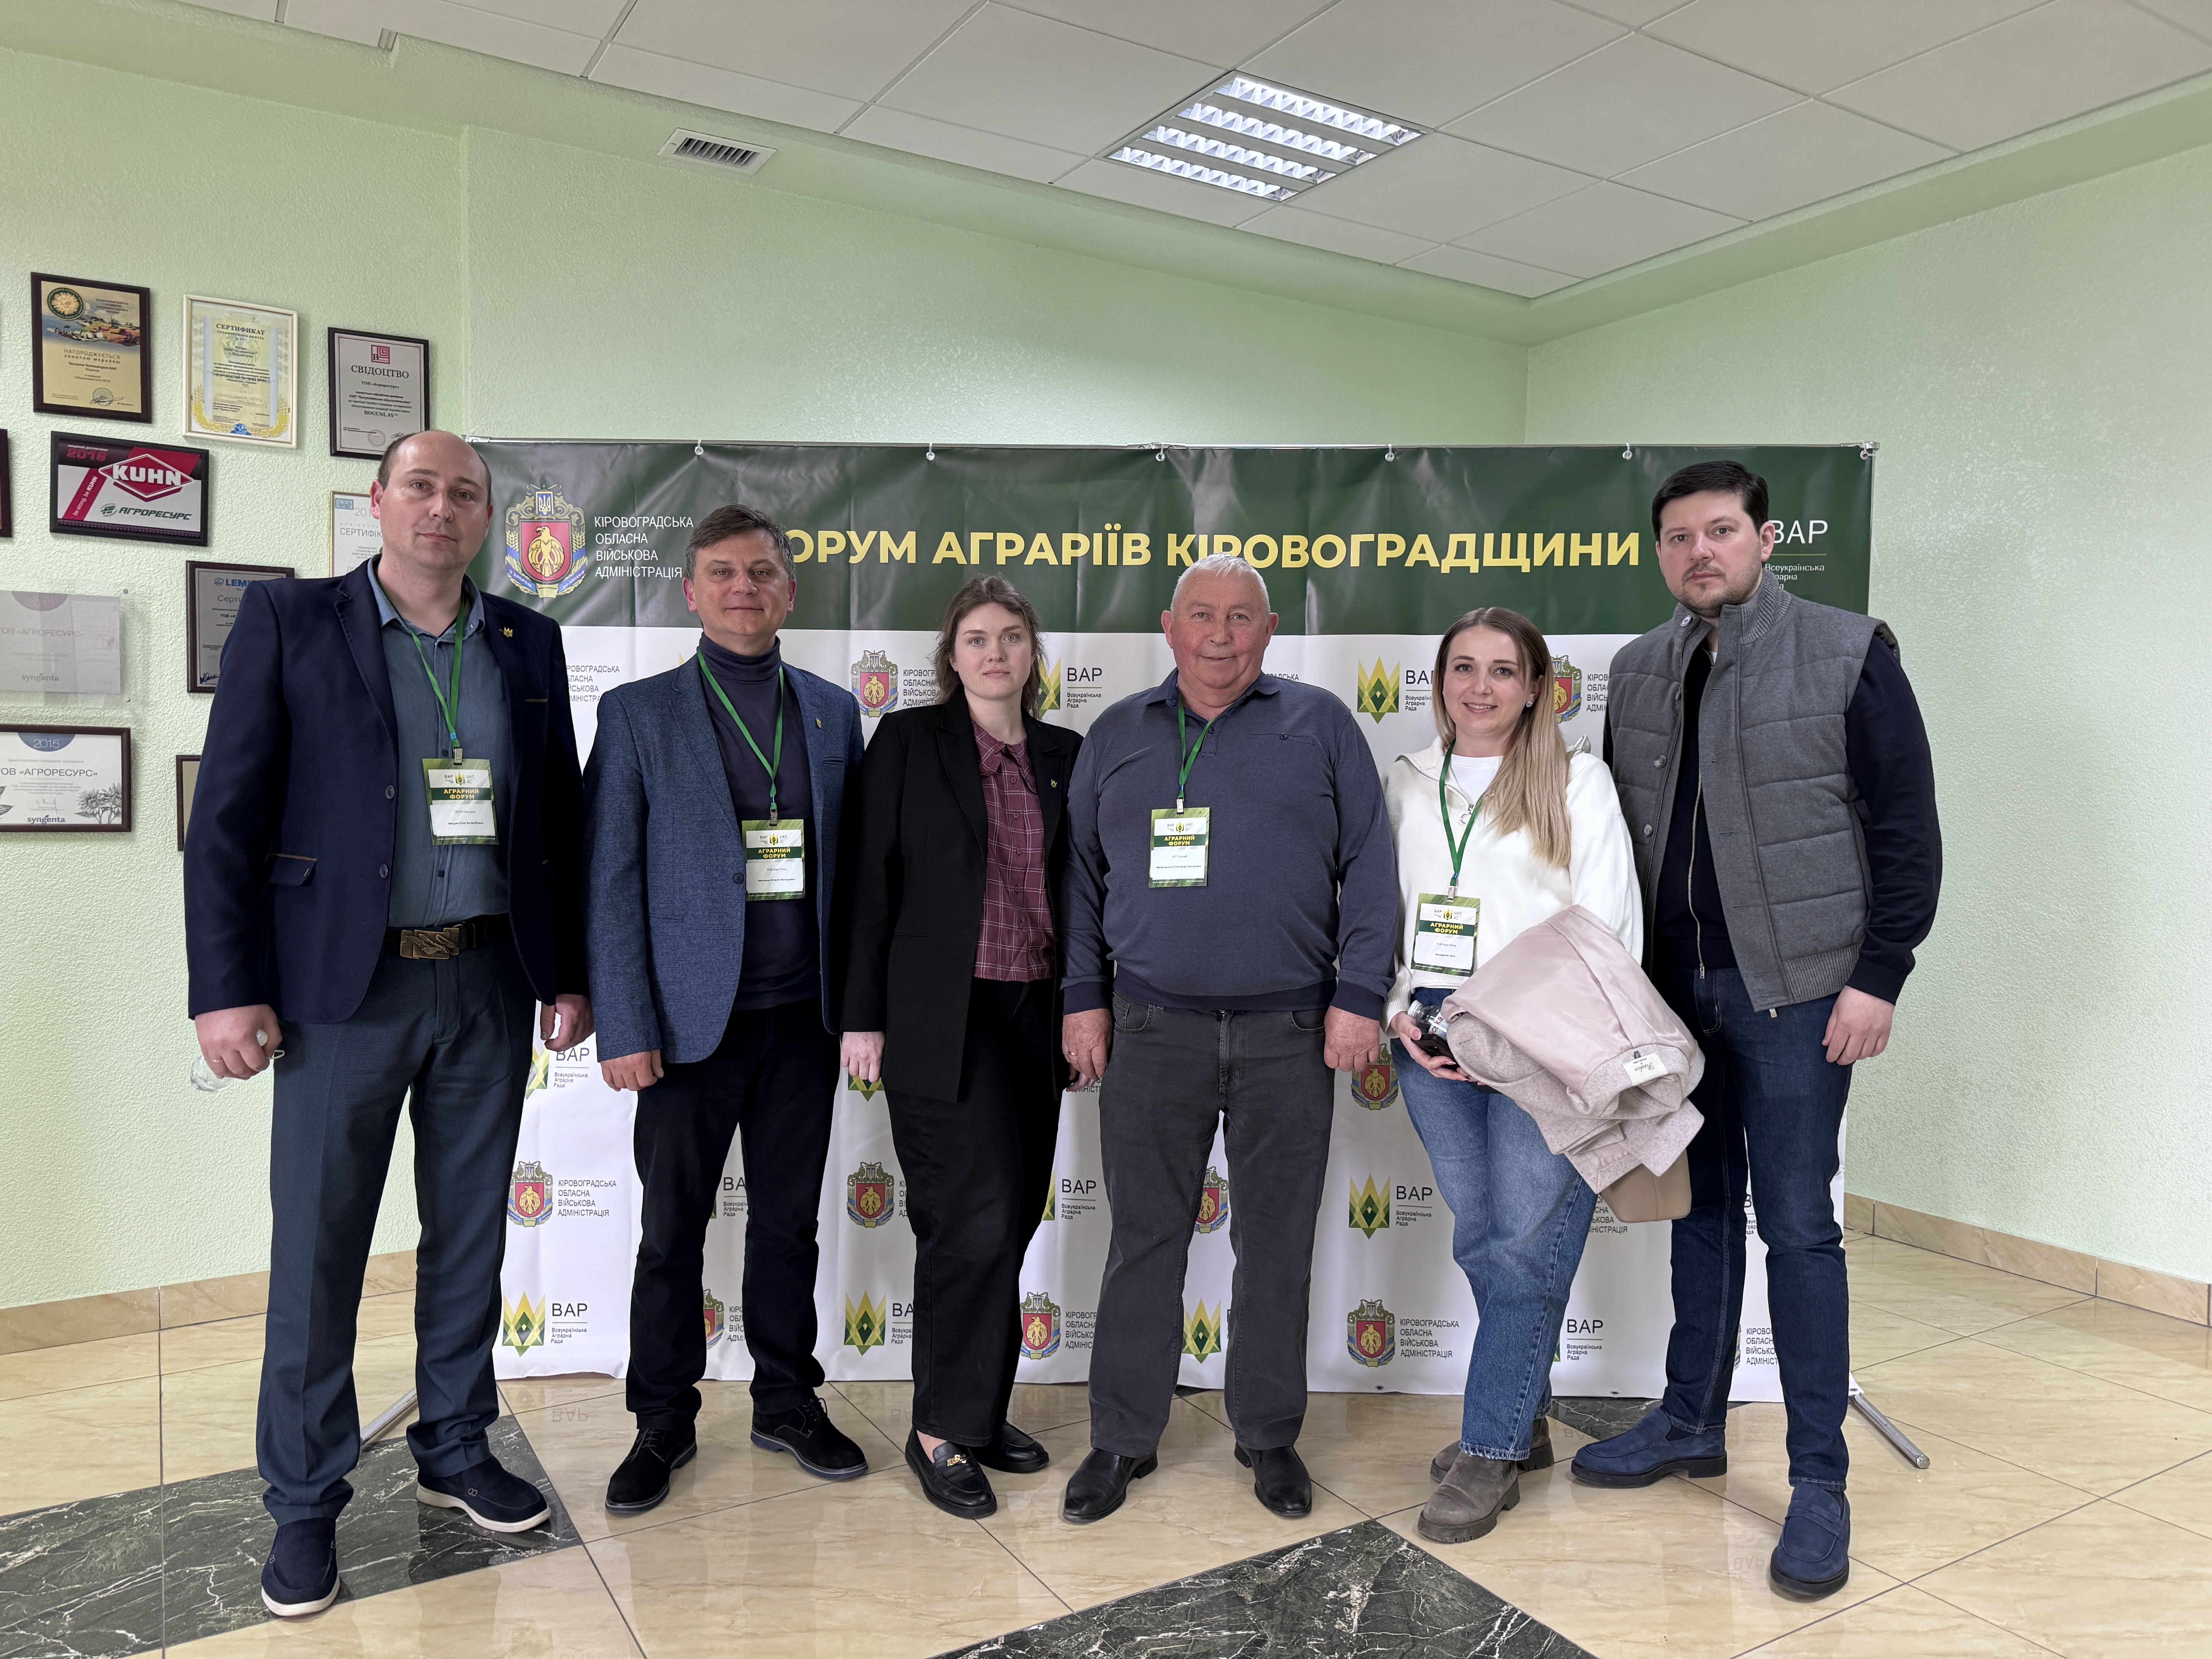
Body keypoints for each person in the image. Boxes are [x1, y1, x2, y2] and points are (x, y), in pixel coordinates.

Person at [186, 430, 592, 1618]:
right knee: (320, 1247)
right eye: (421, 485)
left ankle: (455, 1443)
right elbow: (227, 817)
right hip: (341, 992)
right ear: (377, 500)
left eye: (466, 492)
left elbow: (554, 820)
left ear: (487, 519)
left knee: (469, 1235)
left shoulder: (526, 641)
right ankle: (305, 1497)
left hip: (487, 980)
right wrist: (225, 987)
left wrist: (568, 974)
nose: (442, 507)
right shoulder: (290, 621)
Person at [1573, 461, 1940, 1601]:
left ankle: (1819, 1480)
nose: (1701, 552)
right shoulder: (1640, 666)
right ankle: (1690, 1420)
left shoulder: (1846, 649)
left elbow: (1908, 825)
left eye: (1721, 531)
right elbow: (1619, 838)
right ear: (1661, 553)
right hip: (1672, 1000)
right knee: (1699, 1217)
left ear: (1765, 539)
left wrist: (1879, 975)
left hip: (1801, 995)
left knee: (1799, 1230)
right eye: (1679, 537)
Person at [1058, 553, 1397, 1524]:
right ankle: (1123, 1436)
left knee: (1277, 1244)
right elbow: (1079, 879)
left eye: (1241, 617)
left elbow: (1372, 865)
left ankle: (1269, 1434)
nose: (1220, 635)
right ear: (1169, 628)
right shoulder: (1117, 733)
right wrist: (1083, 999)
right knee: (1144, 1242)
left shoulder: (1322, 725)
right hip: (1149, 1028)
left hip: (1291, 1031)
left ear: (1270, 628)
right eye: (1201, 616)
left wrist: (1359, 995)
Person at [586, 504, 868, 1514]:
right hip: (685, 1030)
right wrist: (626, 1024)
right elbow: (610, 878)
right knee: (672, 1234)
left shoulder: (834, 712)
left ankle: (786, 1400)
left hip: (804, 1021)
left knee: (789, 1226)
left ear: (789, 591)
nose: (743, 588)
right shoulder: (638, 714)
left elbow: (860, 877)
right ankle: (661, 1418)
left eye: (761, 572)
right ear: (692, 592)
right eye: (722, 573)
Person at [1381, 607, 1641, 1544]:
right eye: (1463, 667)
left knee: (1526, 1248)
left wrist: (1537, 1036)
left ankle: (1489, 1448)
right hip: (1433, 1042)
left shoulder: (1577, 782)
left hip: (1543, 1043)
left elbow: (1609, 927)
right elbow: (1383, 917)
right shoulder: (1408, 782)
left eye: (1502, 670)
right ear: (1440, 681)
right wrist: (1397, 1010)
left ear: (1537, 687)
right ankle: (1522, 1421)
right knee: (1485, 1238)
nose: (1481, 686)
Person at [836, 576, 1082, 1519]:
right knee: (967, 1219)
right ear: (951, 656)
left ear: (1032, 653)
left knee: (1011, 1216)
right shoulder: (909, 742)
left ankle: (979, 1412)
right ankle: (940, 1429)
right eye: (976, 638)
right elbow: (869, 882)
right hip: (942, 1019)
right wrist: (862, 1016)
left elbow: (1085, 893)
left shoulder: (1064, 755)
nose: (995, 653)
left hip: (1035, 1014)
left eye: (1011, 636)